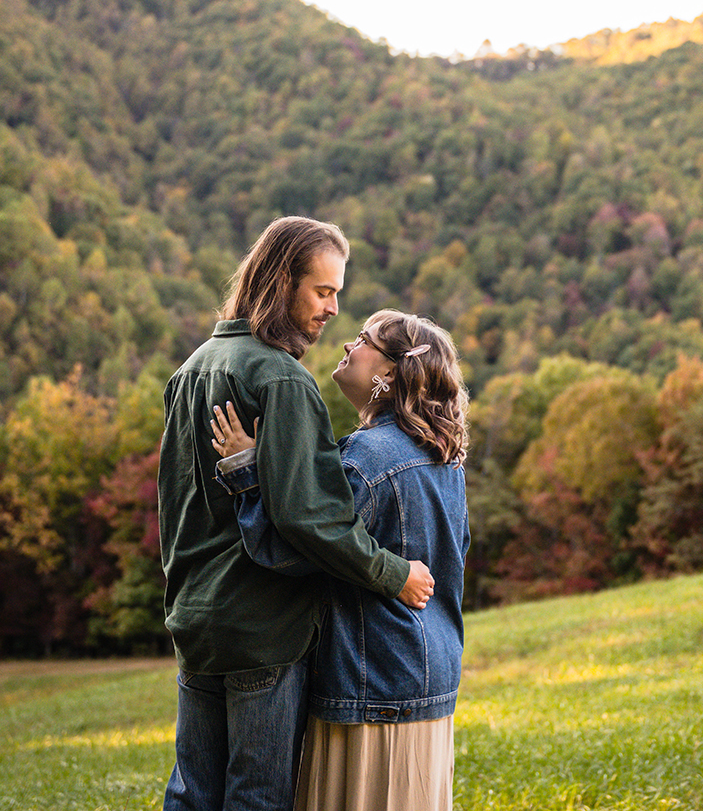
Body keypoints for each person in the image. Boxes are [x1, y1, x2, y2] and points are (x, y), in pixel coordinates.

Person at [157, 217, 436, 811]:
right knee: (257, 800)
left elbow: (173, 508)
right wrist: (395, 573)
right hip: (262, 630)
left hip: (195, 620)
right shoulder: (281, 379)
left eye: (337, 292)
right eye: (323, 290)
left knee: (192, 797)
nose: (334, 308)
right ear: (283, 282)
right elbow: (314, 521)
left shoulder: (190, 370)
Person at [210, 309, 470, 811]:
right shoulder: (444, 458)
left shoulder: (363, 459)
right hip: (430, 676)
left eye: (364, 340)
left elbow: (290, 550)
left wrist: (247, 472)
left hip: (371, 685)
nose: (349, 346)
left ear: (390, 373)